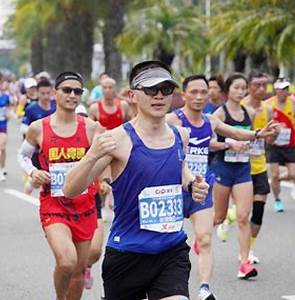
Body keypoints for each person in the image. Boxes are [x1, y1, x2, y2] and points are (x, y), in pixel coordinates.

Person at [64, 61, 209, 299]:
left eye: (166, 89)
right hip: (127, 254)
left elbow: (181, 169)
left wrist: (193, 184)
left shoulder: (181, 135)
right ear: (132, 95)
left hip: (171, 251)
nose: (159, 96)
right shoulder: (117, 140)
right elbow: (70, 189)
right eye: (151, 90)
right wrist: (92, 154)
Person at [166, 74, 277, 298]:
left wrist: (257, 134)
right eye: (193, 92)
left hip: (202, 186)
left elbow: (235, 132)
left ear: (209, 94)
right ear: (184, 95)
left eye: (203, 93)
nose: (198, 97)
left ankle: (205, 288)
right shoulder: (173, 120)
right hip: (175, 189)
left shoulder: (210, 120)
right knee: (170, 242)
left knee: (207, 237)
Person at [17, 71, 105, 299]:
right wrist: (33, 172)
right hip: (54, 205)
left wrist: (103, 180)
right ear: (56, 93)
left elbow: (105, 160)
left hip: (85, 206)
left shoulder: (92, 128)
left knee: (78, 271)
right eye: (67, 90)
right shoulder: (38, 128)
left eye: (77, 91)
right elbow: (22, 155)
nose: (72, 95)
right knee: (66, 262)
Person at [240, 71, 275, 264]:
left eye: (264, 85)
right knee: (242, 213)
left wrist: (273, 134)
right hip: (240, 165)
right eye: (257, 85)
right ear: (248, 86)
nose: (261, 89)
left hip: (259, 164)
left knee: (259, 209)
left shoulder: (267, 109)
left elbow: (269, 139)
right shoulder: (241, 107)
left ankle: (249, 248)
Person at [267, 80, 295, 212]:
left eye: (287, 88)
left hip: (289, 143)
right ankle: (277, 200)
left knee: (294, 173)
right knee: (274, 173)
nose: (285, 92)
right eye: (282, 89)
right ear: (276, 90)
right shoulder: (269, 104)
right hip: (274, 144)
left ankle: (276, 179)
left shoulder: (292, 102)